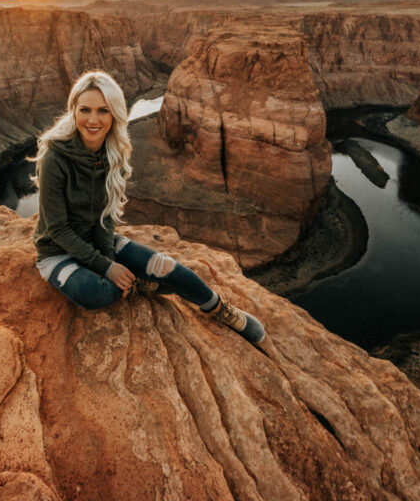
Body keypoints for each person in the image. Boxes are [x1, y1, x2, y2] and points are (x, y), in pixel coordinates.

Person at [31, 70, 266, 344]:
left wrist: (109, 258)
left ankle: (218, 308)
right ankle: (138, 286)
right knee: (94, 293)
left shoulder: (112, 152)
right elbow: (58, 228)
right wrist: (107, 267)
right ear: (73, 110)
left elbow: (105, 219)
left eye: (103, 111)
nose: (93, 120)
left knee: (168, 267)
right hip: (57, 252)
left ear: (114, 115)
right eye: (85, 110)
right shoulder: (55, 157)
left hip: (96, 241)